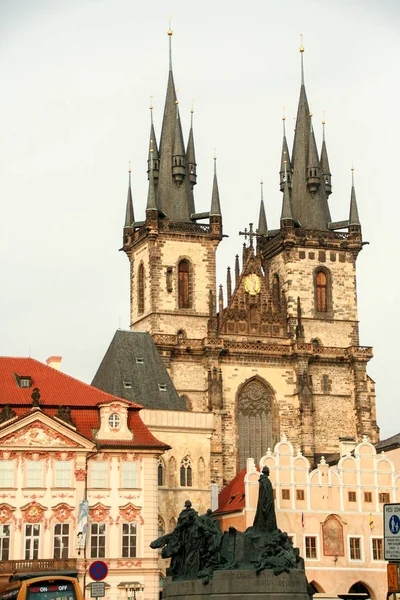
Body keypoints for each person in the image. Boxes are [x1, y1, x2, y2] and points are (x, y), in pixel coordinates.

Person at [253, 466, 277, 532]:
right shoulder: (266, 481)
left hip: (263, 502)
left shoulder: (262, 481)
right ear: (267, 473)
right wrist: (267, 503)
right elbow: (267, 493)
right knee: (267, 519)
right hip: (267, 503)